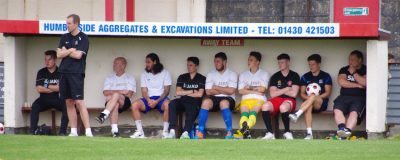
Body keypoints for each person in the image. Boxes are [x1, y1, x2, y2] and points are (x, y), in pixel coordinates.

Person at [56, 14, 92, 137]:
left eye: (69, 23)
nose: (67, 25)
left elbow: (78, 56)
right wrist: (71, 50)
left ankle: (88, 131)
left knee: (79, 101)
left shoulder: (84, 38)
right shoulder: (64, 37)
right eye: (66, 23)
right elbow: (58, 55)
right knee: (69, 102)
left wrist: (67, 51)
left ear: (76, 24)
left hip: (76, 73)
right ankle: (73, 131)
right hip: (63, 72)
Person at [195, 52, 238, 139]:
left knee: (223, 103)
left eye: (218, 61)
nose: (216, 63)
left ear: (225, 62)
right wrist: (224, 89)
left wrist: (216, 87)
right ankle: (200, 132)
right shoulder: (211, 74)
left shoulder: (232, 74)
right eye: (215, 61)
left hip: (228, 99)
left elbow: (231, 91)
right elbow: (208, 92)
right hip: (214, 98)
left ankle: (229, 132)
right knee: (206, 102)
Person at [289, 54, 332, 140]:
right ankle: (309, 133)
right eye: (309, 64)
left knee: (312, 96)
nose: (311, 66)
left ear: (319, 64)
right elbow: (301, 93)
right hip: (309, 104)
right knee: (309, 105)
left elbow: (327, 93)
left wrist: (316, 97)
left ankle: (297, 114)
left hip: (321, 103)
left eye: (313, 64)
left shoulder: (326, 76)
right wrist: (311, 99)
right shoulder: (305, 76)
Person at [130, 53, 172, 139]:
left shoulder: (165, 73)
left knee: (168, 105)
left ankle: (165, 132)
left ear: (155, 62)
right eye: (146, 62)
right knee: (134, 105)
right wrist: (149, 100)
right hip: (148, 99)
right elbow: (144, 90)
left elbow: (166, 91)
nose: (147, 64)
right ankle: (140, 132)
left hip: (161, 99)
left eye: (148, 62)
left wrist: (157, 101)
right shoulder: (144, 73)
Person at [261, 53, 300, 140]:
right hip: (277, 99)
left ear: (288, 62)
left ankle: (287, 132)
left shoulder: (294, 75)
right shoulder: (275, 76)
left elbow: (294, 94)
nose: (280, 64)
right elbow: (272, 94)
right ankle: (270, 133)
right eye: (279, 62)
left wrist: (279, 91)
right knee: (265, 106)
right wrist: (286, 89)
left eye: (282, 62)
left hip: (289, 100)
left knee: (283, 107)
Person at [166, 57, 206, 139]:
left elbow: (200, 94)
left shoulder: (201, 78)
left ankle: (185, 132)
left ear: (196, 66)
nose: (188, 67)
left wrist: (185, 92)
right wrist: (193, 91)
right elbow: (178, 92)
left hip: (194, 102)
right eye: (187, 65)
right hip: (182, 100)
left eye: (191, 65)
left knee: (192, 107)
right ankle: (172, 131)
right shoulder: (182, 77)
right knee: (172, 104)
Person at [95, 57, 136, 137]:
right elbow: (105, 92)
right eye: (114, 63)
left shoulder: (130, 78)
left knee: (116, 95)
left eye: (116, 63)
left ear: (123, 65)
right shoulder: (109, 77)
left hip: (125, 102)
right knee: (115, 104)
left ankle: (104, 114)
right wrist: (121, 91)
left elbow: (129, 94)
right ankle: (115, 131)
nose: (114, 65)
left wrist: (114, 93)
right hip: (111, 102)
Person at [31, 50, 68, 136]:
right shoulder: (41, 72)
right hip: (44, 100)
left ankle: (62, 132)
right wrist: (54, 88)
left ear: (55, 60)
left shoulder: (61, 72)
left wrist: (46, 84)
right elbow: (39, 89)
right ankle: (33, 131)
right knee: (35, 106)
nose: (47, 62)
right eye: (45, 59)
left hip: (58, 99)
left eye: (49, 59)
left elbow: (62, 89)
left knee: (67, 106)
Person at [234, 51, 269, 139]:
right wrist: (256, 90)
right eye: (248, 60)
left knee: (253, 112)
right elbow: (241, 91)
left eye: (251, 60)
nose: (248, 62)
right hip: (246, 99)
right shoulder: (243, 74)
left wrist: (249, 88)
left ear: (257, 62)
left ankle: (241, 131)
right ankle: (245, 131)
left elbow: (263, 89)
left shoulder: (264, 74)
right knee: (244, 114)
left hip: (259, 99)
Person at [333, 50, 366, 139]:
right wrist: (357, 85)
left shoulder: (365, 69)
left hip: (359, 98)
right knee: (337, 110)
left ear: (359, 60)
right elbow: (342, 82)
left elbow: (365, 82)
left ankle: (346, 132)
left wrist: (354, 73)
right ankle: (342, 129)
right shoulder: (344, 69)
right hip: (343, 96)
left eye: (352, 60)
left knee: (354, 112)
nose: (350, 62)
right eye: (349, 59)